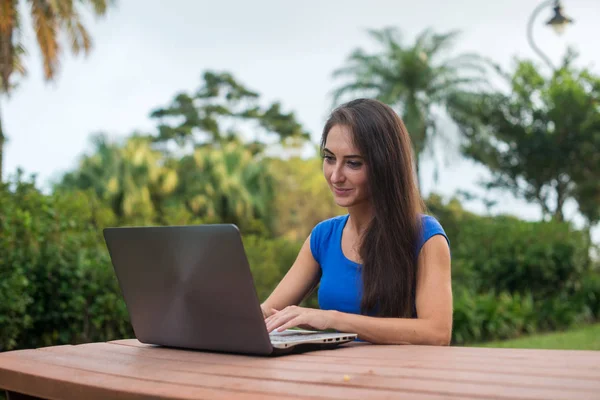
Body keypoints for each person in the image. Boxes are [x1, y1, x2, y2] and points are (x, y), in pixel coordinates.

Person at [262, 98, 452, 346]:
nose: (336, 175)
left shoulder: (425, 236)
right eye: (329, 158)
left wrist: (334, 320)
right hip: (335, 377)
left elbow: (436, 333)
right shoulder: (323, 237)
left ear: (384, 166)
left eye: (353, 163)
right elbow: (269, 313)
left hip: (399, 379)